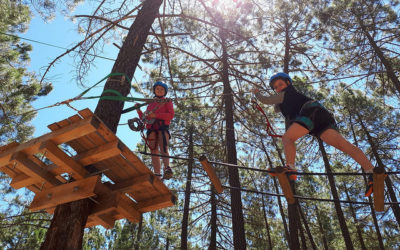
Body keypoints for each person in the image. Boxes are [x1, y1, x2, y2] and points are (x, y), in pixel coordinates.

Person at [252, 72, 376, 197]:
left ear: (288, 83)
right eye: (276, 87)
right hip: (323, 119)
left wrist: (256, 92)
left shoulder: (287, 93)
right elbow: (277, 107)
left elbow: (266, 100)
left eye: (280, 84)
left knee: (288, 138)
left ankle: (290, 168)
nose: (278, 88)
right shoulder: (288, 97)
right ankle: (371, 171)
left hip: (311, 112)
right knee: (342, 144)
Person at [136, 81, 174, 180]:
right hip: (151, 128)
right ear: (154, 90)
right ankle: (157, 173)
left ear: (165, 92)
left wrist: (156, 115)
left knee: (163, 147)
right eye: (157, 89)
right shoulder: (151, 104)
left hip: (162, 127)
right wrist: (139, 110)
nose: (159, 91)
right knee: (153, 149)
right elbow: (144, 119)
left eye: (162, 89)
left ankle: (167, 168)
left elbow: (170, 115)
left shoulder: (167, 101)